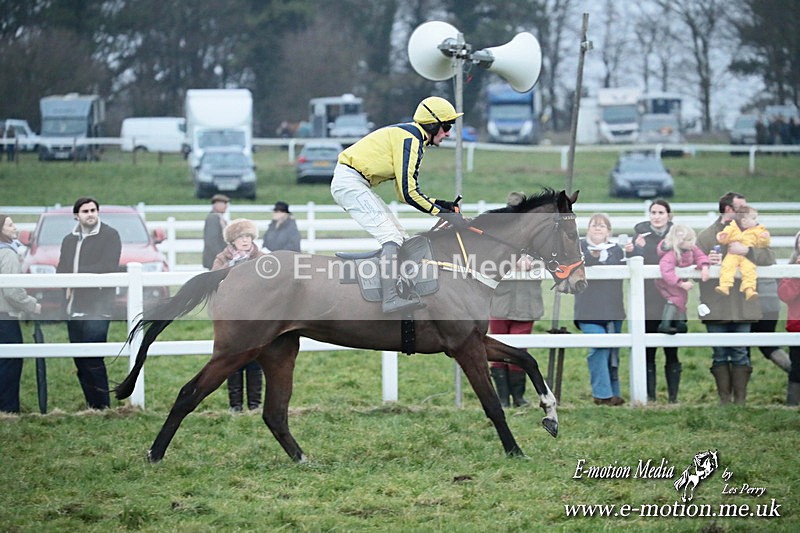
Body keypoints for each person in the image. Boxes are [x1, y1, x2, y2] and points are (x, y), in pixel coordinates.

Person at [330, 96, 467, 314]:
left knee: (401, 238)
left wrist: (443, 206)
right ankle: (390, 299)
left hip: (355, 182)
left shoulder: (413, 138)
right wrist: (442, 212)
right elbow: (408, 193)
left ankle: (401, 290)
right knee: (391, 237)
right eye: (447, 126)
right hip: (350, 182)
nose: (448, 133)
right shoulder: (411, 140)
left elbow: (406, 192)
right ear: (432, 125)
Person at [697, 192, 774, 406]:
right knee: (719, 353)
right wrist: (706, 262)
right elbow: (693, 264)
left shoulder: (754, 231)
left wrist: (748, 251)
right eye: (741, 207)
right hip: (716, 303)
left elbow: (769, 257)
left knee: (741, 352)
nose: (746, 211)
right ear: (729, 209)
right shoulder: (706, 236)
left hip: (743, 303)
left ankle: (740, 401)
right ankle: (724, 400)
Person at [56, 197, 122, 410]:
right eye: (85, 211)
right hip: (73, 306)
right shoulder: (69, 240)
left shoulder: (110, 235)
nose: (91, 214)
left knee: (93, 357)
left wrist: (75, 274)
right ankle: (91, 405)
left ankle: (103, 406)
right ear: (77, 215)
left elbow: (108, 266)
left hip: (98, 307)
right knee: (80, 360)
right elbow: (61, 269)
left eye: (93, 210)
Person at [487, 193, 542, 408]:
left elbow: (551, 258)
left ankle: (518, 397)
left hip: (527, 302)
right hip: (500, 301)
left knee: (520, 349)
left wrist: (532, 261)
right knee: (497, 348)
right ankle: (503, 398)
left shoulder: (539, 237)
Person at [625, 199, 679, 402]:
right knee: (648, 350)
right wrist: (634, 250)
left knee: (672, 348)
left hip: (671, 299)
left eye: (661, 212)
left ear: (668, 215)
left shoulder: (677, 234)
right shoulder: (640, 235)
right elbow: (633, 261)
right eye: (653, 212)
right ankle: (650, 397)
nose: (656, 216)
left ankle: (673, 397)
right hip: (647, 298)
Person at [212, 218, 264, 411]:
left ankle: (254, 405)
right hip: (232, 316)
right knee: (233, 360)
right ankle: (236, 406)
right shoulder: (222, 259)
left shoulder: (262, 257)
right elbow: (214, 280)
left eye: (248, 236)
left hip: (256, 316)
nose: (245, 240)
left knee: (255, 360)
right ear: (232, 240)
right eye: (241, 236)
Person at [574, 213, 626, 406]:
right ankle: (602, 395)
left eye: (602, 225)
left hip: (613, 309)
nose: (598, 228)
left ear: (608, 231)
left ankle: (615, 394)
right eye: (594, 225)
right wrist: (592, 256)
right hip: (588, 311)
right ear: (588, 229)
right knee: (599, 346)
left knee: (613, 353)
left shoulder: (616, 250)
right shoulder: (578, 247)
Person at [0, 215, 42, 413]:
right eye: (10, 225)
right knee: (10, 362)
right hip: (4, 318)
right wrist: (32, 305)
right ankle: (8, 409)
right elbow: (12, 291)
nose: (15, 228)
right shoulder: (7, 254)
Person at [655, 224, 710, 337]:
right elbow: (666, 271)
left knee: (682, 299)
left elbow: (701, 256)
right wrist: (680, 283)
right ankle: (665, 324)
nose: (692, 243)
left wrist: (704, 266)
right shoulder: (670, 255)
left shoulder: (691, 249)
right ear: (679, 241)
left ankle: (681, 323)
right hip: (668, 283)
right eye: (689, 240)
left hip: (680, 281)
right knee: (675, 299)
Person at [715, 205, 770, 300]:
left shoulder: (758, 230)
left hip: (747, 257)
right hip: (732, 255)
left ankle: (749, 289)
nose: (756, 221)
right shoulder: (732, 227)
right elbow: (724, 238)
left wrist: (764, 239)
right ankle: (725, 286)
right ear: (744, 221)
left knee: (749, 270)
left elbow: (762, 244)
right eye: (753, 218)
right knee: (727, 266)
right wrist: (722, 237)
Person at [778, 231, 800, 405]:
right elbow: (785, 295)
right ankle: (793, 404)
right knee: (797, 367)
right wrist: (796, 276)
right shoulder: (790, 268)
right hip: (797, 325)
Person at [202, 194, 229, 270]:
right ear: (215, 204)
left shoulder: (219, 217)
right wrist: (221, 257)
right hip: (215, 259)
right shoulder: (213, 218)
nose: (226, 206)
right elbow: (212, 241)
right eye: (223, 203)